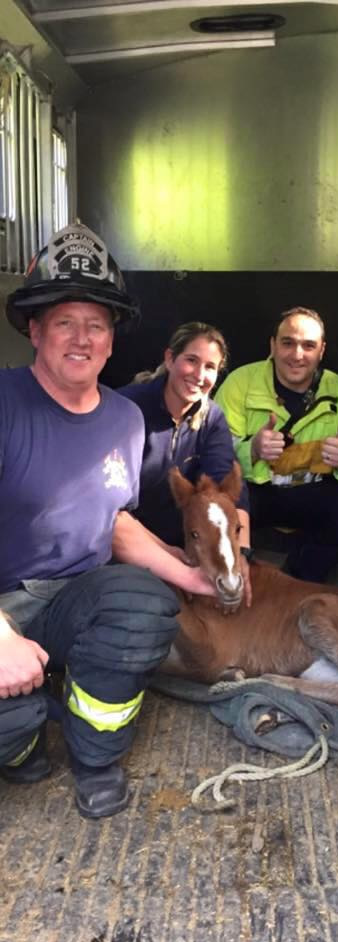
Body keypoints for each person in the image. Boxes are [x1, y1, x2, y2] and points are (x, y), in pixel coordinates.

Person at [0, 222, 217, 820]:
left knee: (146, 604)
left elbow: (112, 519)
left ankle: (94, 755)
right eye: (64, 321)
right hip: (4, 599)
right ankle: (19, 742)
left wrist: (189, 573)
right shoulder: (4, 402)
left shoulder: (124, 418)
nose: (81, 337)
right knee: (10, 720)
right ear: (35, 329)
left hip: (76, 595)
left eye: (95, 323)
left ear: (112, 339)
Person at [215, 306, 338, 582]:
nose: (297, 355)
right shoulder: (239, 383)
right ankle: (236, 575)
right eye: (288, 343)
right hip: (257, 493)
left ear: (322, 351)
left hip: (315, 493)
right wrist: (252, 449)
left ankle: (301, 573)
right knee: (217, 504)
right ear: (272, 345)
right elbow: (215, 459)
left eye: (309, 345)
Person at [118, 322, 253, 605]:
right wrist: (164, 551)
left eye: (211, 367)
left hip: (183, 541)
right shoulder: (127, 408)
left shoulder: (212, 417)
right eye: (191, 360)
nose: (199, 375)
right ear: (169, 359)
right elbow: (111, 508)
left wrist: (241, 554)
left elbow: (225, 490)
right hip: (124, 539)